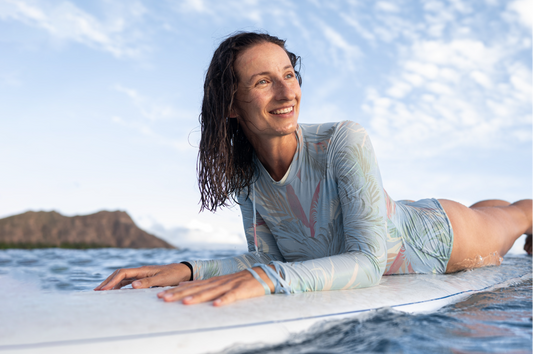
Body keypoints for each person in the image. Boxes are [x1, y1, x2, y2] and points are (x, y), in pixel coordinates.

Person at [95, 32, 533, 306]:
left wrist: (267, 280)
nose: (287, 91)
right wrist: (191, 269)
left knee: (518, 216)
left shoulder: (343, 140)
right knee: (496, 208)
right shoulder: (247, 174)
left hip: (441, 237)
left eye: (290, 74)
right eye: (263, 81)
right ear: (231, 104)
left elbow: (366, 263)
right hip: (396, 217)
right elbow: (269, 259)